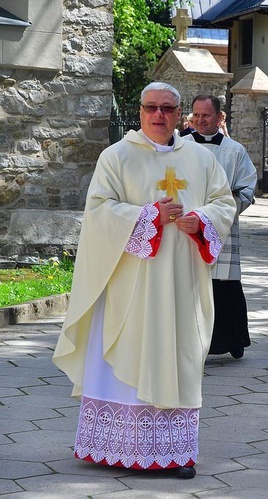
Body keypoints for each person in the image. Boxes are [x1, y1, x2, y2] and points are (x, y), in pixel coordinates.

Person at [52, 82, 236, 479]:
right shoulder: (116, 157)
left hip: (181, 283)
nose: (158, 115)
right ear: (140, 111)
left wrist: (200, 220)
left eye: (167, 108)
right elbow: (99, 212)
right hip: (130, 284)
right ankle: (118, 447)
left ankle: (176, 452)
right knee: (132, 350)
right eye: (151, 107)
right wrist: (149, 216)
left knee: (179, 354)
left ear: (179, 113)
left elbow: (225, 202)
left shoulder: (200, 159)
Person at [186, 95, 257, 359]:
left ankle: (233, 339)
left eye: (206, 115)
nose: (200, 120)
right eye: (196, 115)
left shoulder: (234, 150)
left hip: (222, 225)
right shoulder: (179, 146)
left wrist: (226, 209)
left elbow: (247, 186)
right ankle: (191, 340)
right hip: (189, 225)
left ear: (219, 117)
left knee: (225, 284)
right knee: (191, 282)